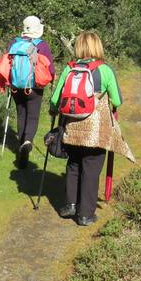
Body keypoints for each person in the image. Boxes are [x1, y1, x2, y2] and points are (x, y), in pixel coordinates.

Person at [49, 30, 128, 226]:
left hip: (71, 128)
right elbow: (117, 100)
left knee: (74, 164)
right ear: (97, 47)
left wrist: (53, 112)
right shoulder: (105, 70)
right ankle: (85, 214)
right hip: (95, 131)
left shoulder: (69, 69)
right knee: (91, 169)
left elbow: (54, 100)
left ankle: (70, 205)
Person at [6, 15, 55, 168]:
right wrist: (51, 80)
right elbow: (50, 69)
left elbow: (7, 64)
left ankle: (22, 145)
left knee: (21, 113)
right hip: (34, 87)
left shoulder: (14, 43)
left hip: (16, 86)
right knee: (32, 117)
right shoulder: (42, 45)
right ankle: (27, 142)